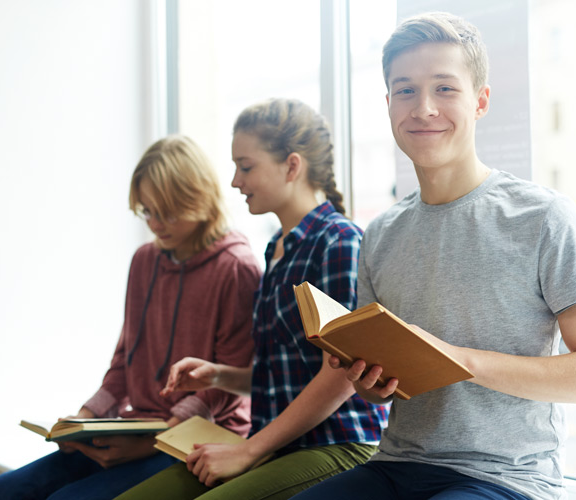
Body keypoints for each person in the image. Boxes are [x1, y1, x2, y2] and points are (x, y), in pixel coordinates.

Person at [291, 12, 576, 500]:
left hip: (505, 477)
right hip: (396, 466)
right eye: (405, 90)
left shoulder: (543, 216)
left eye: (445, 89)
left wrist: (458, 359)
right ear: (389, 104)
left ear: (481, 101)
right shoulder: (382, 233)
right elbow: (376, 387)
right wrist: (370, 381)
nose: (424, 108)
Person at [115, 98, 389, 500]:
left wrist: (249, 450)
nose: (234, 182)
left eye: (246, 167)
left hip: (337, 444)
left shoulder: (339, 241)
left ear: (292, 166)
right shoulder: (277, 247)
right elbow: (287, 375)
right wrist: (219, 375)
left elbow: (341, 377)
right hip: (279, 444)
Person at [0, 135, 261, 500]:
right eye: (147, 211)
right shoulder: (145, 260)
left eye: (167, 211)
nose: (156, 224)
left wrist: (153, 443)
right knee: (2, 492)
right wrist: (82, 420)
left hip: (199, 437)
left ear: (199, 198)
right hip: (137, 427)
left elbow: (226, 385)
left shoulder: (237, 268)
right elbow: (125, 360)